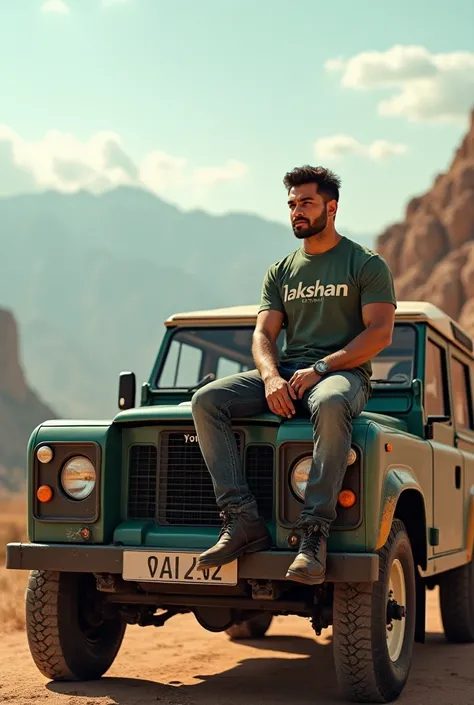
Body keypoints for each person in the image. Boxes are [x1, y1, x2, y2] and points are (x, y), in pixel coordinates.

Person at [191, 165, 396, 585]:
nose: (296, 212)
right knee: (206, 400)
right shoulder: (281, 271)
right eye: (291, 204)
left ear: (331, 207)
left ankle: (313, 534)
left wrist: (321, 367)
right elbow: (264, 334)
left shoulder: (365, 264)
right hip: (286, 372)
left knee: (332, 401)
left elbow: (380, 333)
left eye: (306, 203)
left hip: (343, 375)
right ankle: (241, 519)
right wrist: (270, 377)